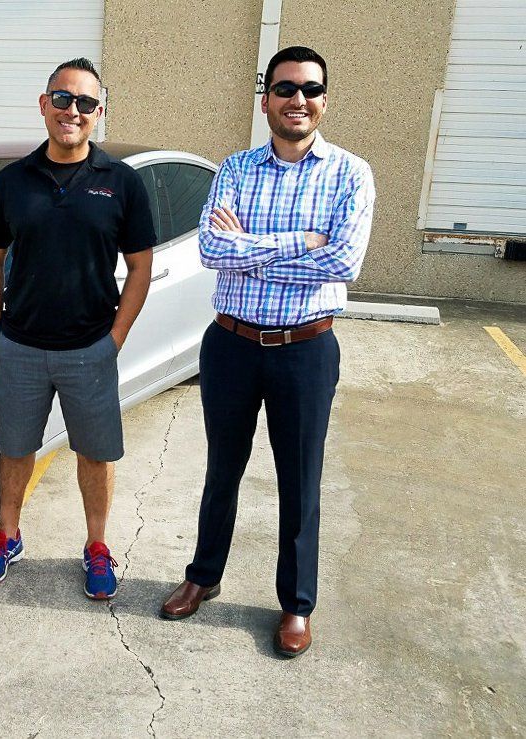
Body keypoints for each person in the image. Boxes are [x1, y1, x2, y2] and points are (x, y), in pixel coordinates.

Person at [159, 46, 375, 657]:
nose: (297, 100)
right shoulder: (234, 169)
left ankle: (296, 605)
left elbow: (343, 261)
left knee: (299, 479)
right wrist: (299, 243)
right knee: (220, 469)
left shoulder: (351, 175)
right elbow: (210, 250)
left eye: (309, 89)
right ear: (266, 101)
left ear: (324, 100)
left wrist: (252, 244)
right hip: (231, 343)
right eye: (285, 89)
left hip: (306, 350)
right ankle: (203, 576)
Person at [0, 57, 156, 600]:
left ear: (99, 112)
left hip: (89, 349)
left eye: (85, 103)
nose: (72, 111)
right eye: (62, 99)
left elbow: (141, 266)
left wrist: (114, 340)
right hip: (22, 347)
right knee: (15, 448)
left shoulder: (121, 183)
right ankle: (7, 535)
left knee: (95, 454)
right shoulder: (12, 182)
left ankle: (97, 546)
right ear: (44, 103)